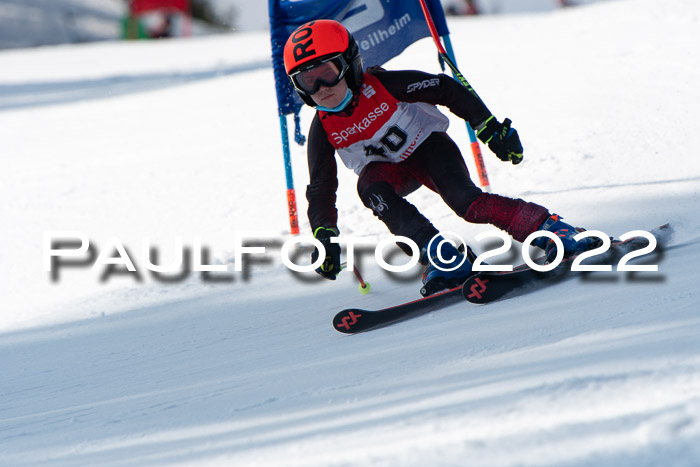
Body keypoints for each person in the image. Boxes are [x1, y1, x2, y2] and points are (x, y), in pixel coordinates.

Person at [283, 20, 596, 296]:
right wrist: (325, 234)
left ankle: (550, 229)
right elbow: (321, 187)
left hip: (428, 149)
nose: (321, 88)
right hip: (390, 173)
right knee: (370, 188)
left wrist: (488, 128)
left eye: (328, 72)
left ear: (349, 65)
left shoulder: (383, 85)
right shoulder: (323, 128)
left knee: (467, 203)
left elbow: (444, 88)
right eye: (307, 81)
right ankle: (442, 256)